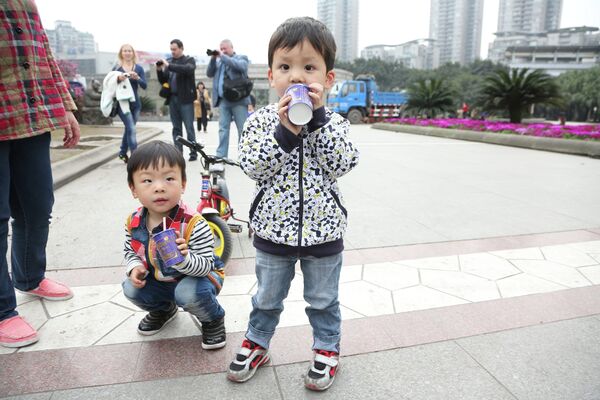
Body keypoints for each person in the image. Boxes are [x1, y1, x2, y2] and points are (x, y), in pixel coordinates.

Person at [228, 17, 360, 391]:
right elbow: (253, 166)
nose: (297, 77)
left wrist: (316, 120)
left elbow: (344, 163)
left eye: (309, 67)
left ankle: (326, 349)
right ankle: (257, 342)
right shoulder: (259, 121)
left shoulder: (333, 122)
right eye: (286, 67)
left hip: (324, 233)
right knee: (267, 298)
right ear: (271, 77)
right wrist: (286, 131)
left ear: (328, 79)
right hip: (273, 232)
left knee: (323, 300)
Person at [0, 0, 80, 348]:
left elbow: (42, 52)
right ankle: (3, 311)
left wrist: (64, 108)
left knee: (36, 207)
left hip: (31, 115)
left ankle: (30, 277)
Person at [122, 141, 226, 349]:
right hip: (161, 280)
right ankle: (163, 309)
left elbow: (205, 265)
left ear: (183, 184)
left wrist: (184, 258)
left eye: (169, 178)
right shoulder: (134, 222)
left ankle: (212, 318)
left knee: (187, 293)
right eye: (147, 180)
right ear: (134, 189)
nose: (159, 187)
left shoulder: (193, 223)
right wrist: (135, 267)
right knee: (130, 288)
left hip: (199, 279)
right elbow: (130, 250)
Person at [206, 39, 250, 158]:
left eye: (225, 48)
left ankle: (244, 155)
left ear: (232, 47)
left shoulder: (241, 58)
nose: (223, 51)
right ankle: (221, 155)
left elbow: (241, 67)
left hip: (239, 101)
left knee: (242, 129)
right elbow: (209, 73)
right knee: (223, 129)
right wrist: (213, 58)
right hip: (223, 101)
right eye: (221, 49)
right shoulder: (219, 62)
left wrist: (222, 56)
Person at [156, 39, 198, 161]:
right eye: (171, 50)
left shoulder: (189, 60)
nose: (172, 52)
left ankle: (193, 152)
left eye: (174, 49)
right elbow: (163, 81)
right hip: (172, 98)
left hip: (185, 99)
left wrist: (169, 65)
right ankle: (178, 153)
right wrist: (159, 70)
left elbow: (187, 70)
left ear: (181, 48)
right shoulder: (169, 62)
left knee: (189, 127)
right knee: (176, 128)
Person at [113, 44, 147, 163]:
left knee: (129, 128)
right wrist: (118, 79)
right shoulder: (117, 68)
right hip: (122, 104)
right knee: (131, 129)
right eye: (125, 51)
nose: (127, 53)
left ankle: (122, 153)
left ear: (133, 53)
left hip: (135, 104)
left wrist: (137, 78)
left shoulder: (138, 68)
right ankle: (135, 157)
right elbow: (109, 84)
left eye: (129, 51)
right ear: (121, 53)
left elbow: (144, 85)